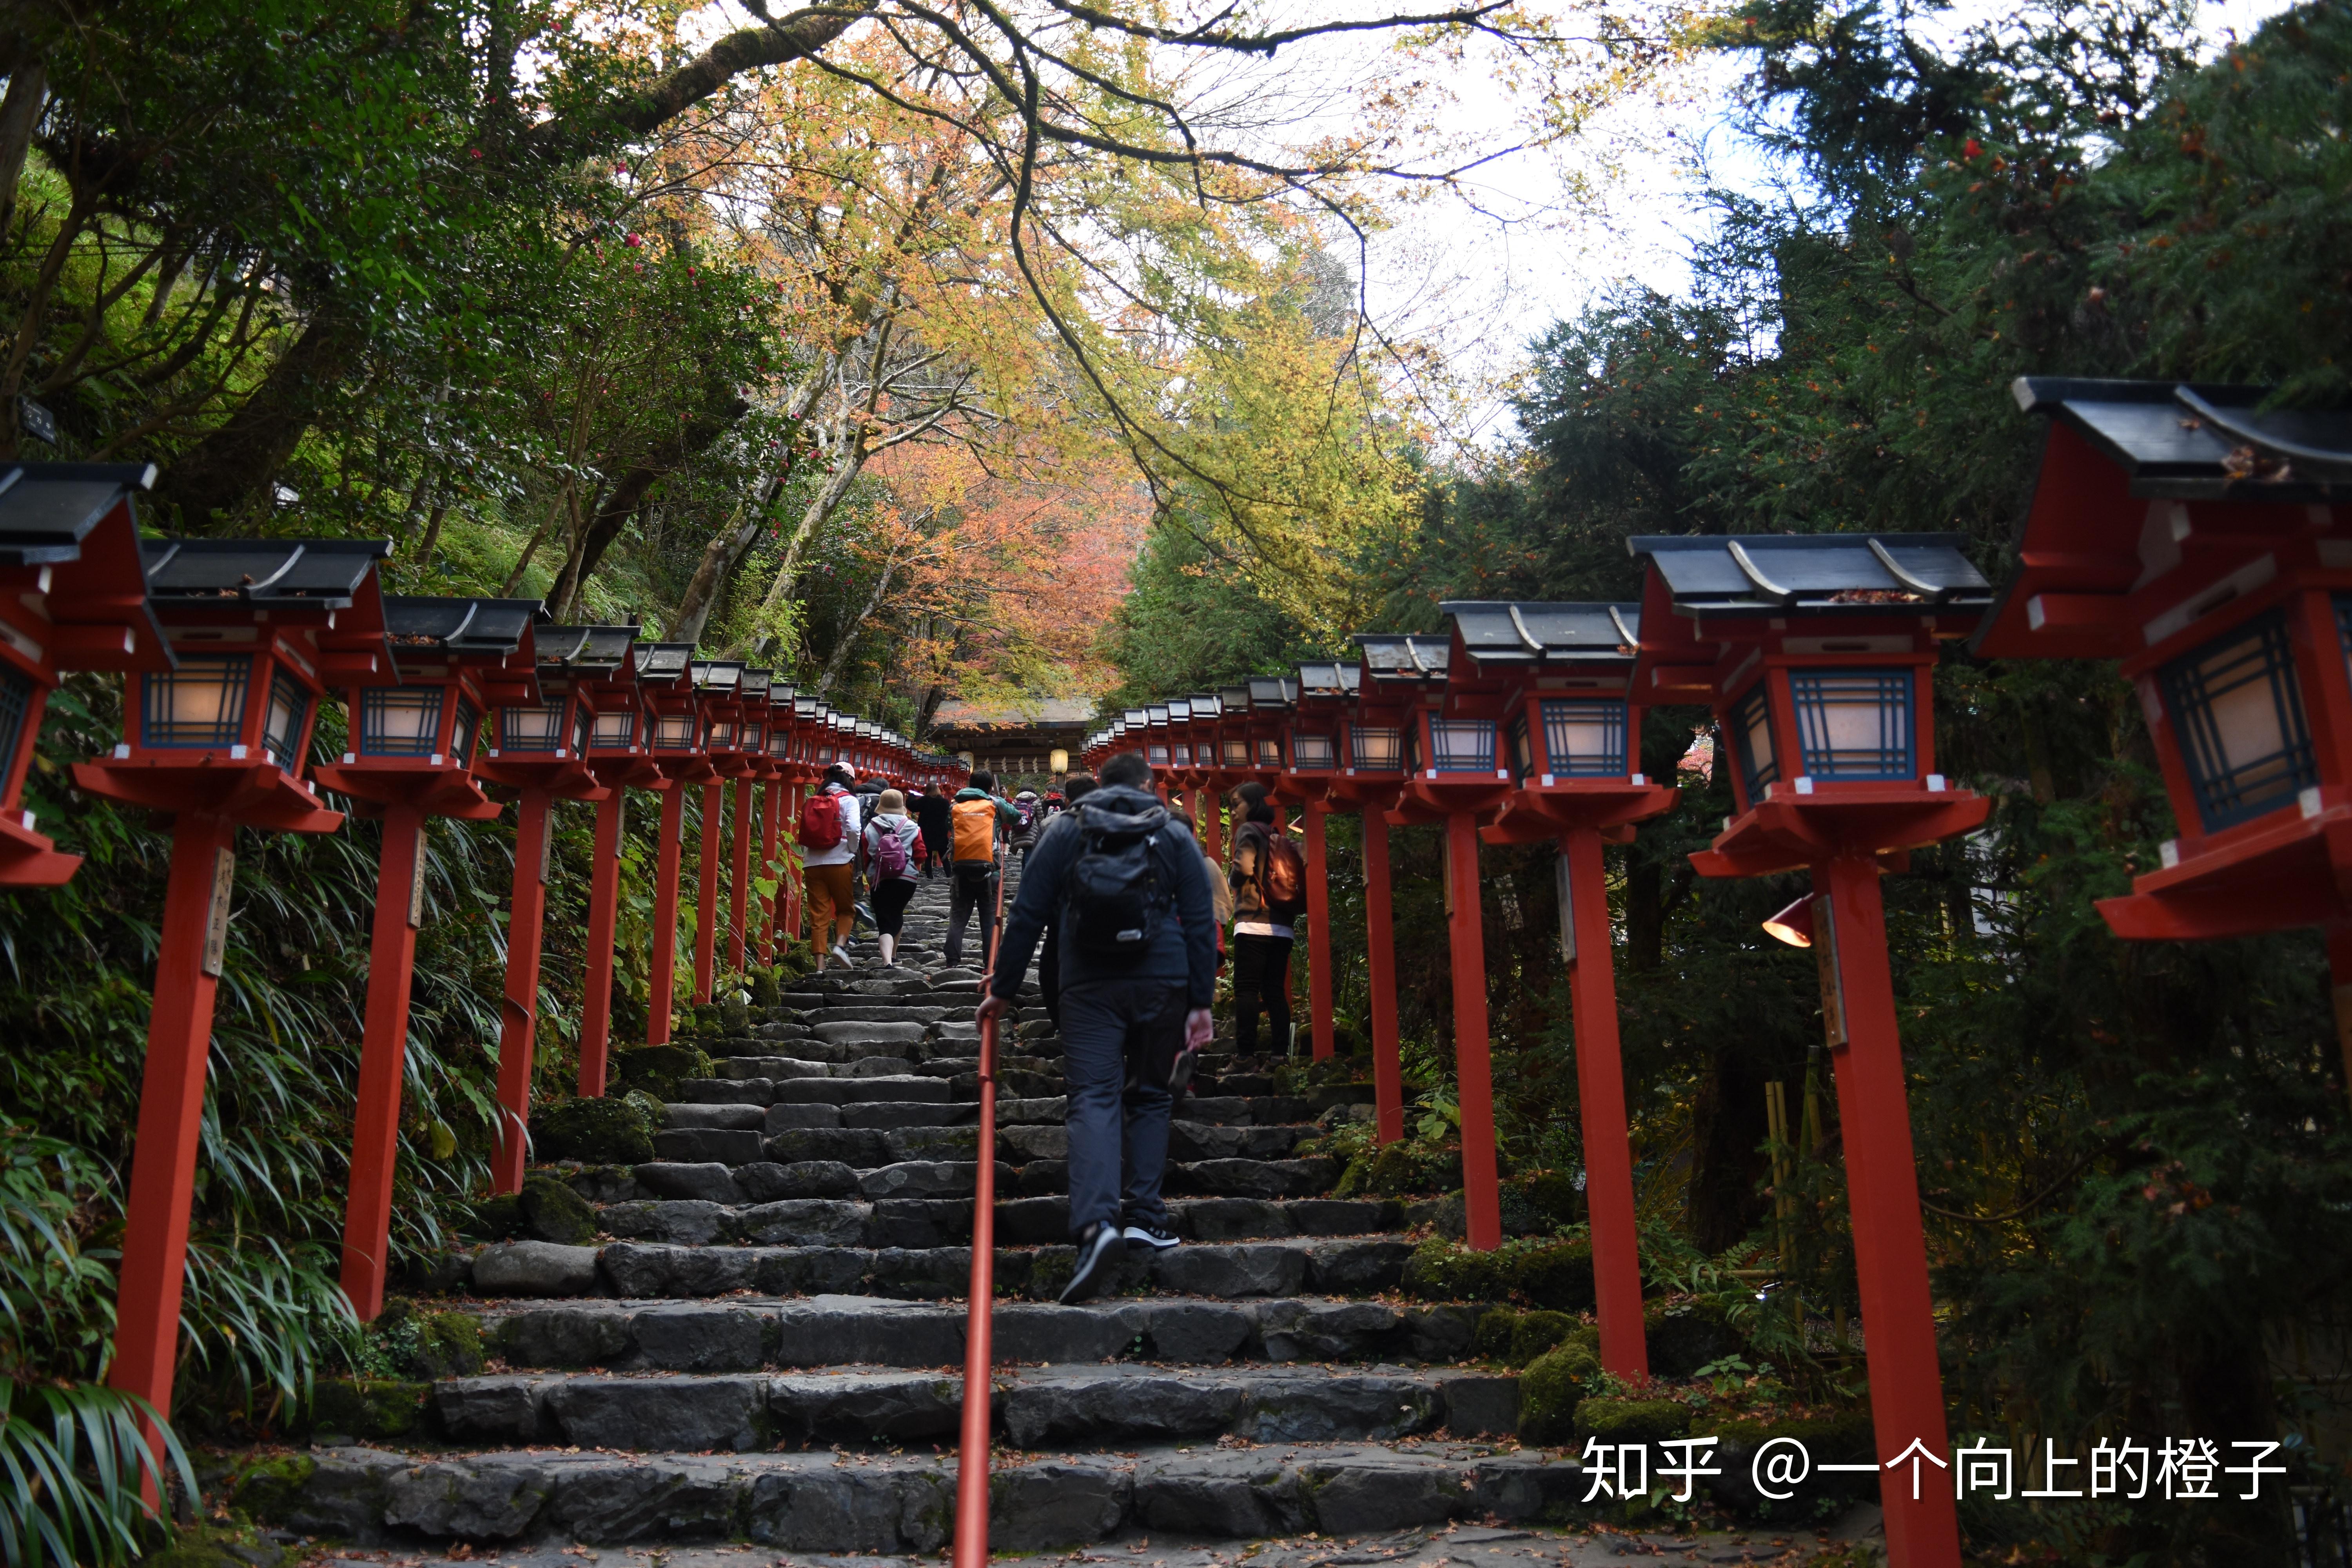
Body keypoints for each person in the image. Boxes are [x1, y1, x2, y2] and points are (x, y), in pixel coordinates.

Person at [981, 750, 1215, 1302]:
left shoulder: (1065, 830)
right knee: (1153, 1096)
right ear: (1147, 786)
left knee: (1093, 1098)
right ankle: (1147, 1217)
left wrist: (1003, 991)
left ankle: (1096, 1226)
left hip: (1087, 983)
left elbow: (1027, 914)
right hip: (1165, 980)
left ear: (1098, 786)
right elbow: (1200, 920)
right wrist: (1200, 1002)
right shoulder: (1173, 834)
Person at [1227, 782, 1305, 1054]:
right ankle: (1279, 1054)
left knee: (1247, 989)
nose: (1234, 811)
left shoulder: (1248, 831)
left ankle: (1246, 1055)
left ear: (1255, 803)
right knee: (1274, 991)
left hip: (1252, 922)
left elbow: (1244, 867)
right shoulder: (1275, 835)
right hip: (1282, 926)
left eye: (1237, 804)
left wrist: (1232, 879)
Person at [944, 770, 1022, 971]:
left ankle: (952, 961)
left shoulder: (956, 806)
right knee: (989, 918)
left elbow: (948, 826)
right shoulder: (995, 804)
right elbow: (1016, 817)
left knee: (958, 916)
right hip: (990, 871)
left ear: (970, 784)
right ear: (989, 788)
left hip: (960, 869)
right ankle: (990, 963)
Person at [1036, 773, 1098, 1027]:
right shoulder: (1131, 822)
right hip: (1117, 916)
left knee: (1053, 966)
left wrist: (1005, 985)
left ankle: (1064, 1024)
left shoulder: (1054, 825)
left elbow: (1036, 888)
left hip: (1064, 914)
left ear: (1068, 800)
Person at [798, 762, 863, 970]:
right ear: (851, 781)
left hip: (812, 863)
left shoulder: (814, 800)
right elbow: (853, 828)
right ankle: (840, 946)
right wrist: (852, 850)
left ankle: (820, 966)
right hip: (840, 861)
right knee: (845, 909)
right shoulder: (850, 800)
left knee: (818, 914)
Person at [861, 788, 922, 967]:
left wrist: (869, 874)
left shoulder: (871, 826)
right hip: (906, 879)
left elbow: (865, 854)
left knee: (884, 919)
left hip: (879, 879)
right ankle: (893, 956)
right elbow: (921, 853)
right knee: (896, 913)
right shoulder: (912, 826)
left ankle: (887, 960)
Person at [914, 782, 955, 881]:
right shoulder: (945, 802)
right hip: (941, 831)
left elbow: (913, 807)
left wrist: (912, 795)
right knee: (944, 856)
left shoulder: (924, 800)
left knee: (928, 856)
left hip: (927, 831)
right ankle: (949, 877)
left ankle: (929, 877)